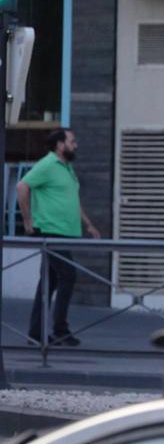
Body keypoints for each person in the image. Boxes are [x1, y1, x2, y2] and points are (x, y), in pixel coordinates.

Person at [16, 128, 100, 347]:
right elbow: (22, 186)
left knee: (48, 282)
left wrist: (88, 224)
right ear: (60, 145)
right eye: (72, 141)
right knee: (67, 275)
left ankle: (35, 335)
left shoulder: (67, 168)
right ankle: (60, 330)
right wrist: (27, 220)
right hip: (50, 231)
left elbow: (72, 200)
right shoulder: (48, 164)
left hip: (65, 232)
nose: (76, 145)